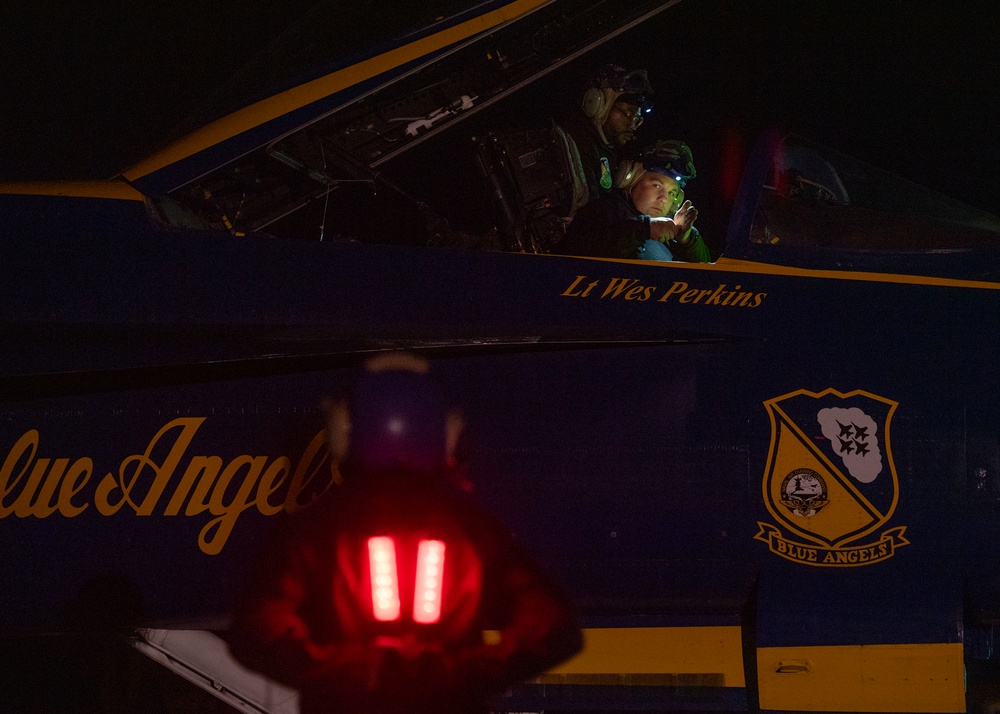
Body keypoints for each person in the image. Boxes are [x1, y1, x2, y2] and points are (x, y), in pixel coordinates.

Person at [227, 353, 582, 714]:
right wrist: (461, 673)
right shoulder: (472, 526)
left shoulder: (317, 526)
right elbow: (553, 628)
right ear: (444, 433)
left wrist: (352, 672)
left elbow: (257, 632)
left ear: (346, 429)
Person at [561, 140, 711, 262]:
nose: (664, 198)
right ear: (631, 178)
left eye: (672, 193)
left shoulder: (667, 232)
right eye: (656, 185)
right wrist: (644, 229)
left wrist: (687, 239)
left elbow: (708, 273)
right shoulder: (605, 210)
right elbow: (575, 251)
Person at [559, 64, 654, 203]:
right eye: (627, 114)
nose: (632, 126)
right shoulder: (575, 142)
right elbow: (589, 212)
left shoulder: (605, 152)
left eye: (637, 120)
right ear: (598, 104)